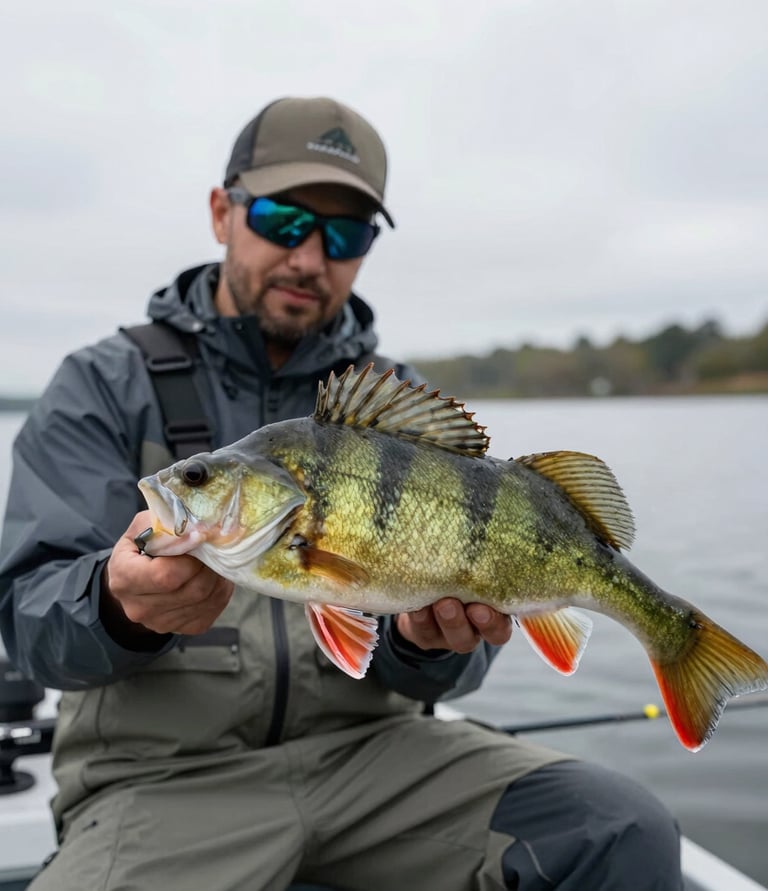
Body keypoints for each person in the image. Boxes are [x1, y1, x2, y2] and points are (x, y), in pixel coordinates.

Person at [0, 96, 682, 890]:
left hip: (382, 763)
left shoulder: (402, 406)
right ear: (223, 212)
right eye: (285, 221)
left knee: (619, 829)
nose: (310, 256)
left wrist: (426, 645)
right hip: (163, 782)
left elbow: (449, 665)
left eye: (346, 234)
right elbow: (25, 620)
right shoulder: (102, 388)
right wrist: (116, 605)